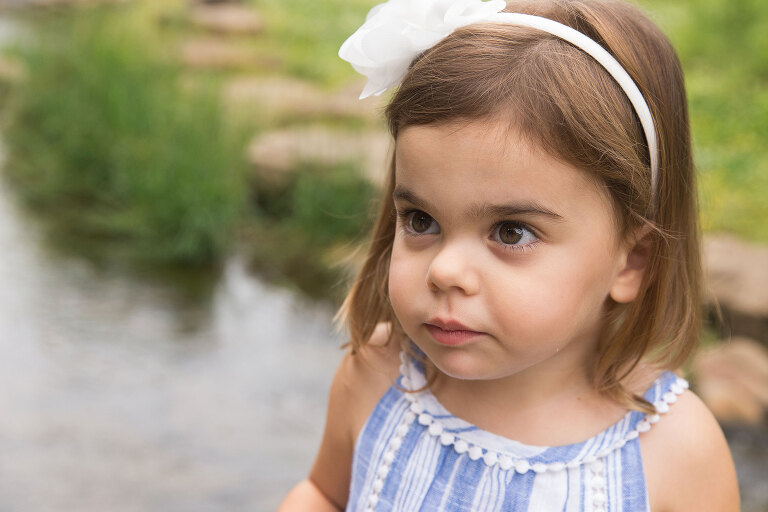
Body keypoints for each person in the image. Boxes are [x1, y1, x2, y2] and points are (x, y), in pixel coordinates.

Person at [278, 0, 740, 510]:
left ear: (631, 262)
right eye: (421, 221)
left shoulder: (676, 453)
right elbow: (324, 493)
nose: (445, 271)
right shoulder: (377, 370)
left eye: (511, 232)